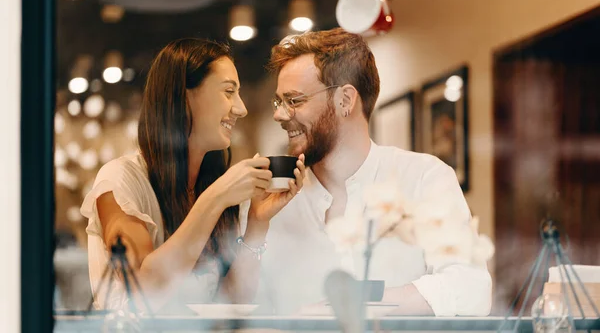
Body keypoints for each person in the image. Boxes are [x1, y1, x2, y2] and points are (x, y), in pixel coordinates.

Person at [256, 28, 491, 316]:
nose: (279, 115)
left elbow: (470, 287)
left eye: (294, 101)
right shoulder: (270, 201)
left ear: (345, 100)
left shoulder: (423, 178)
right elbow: (243, 306)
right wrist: (254, 224)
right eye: (279, 102)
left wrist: (352, 306)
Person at [80, 38, 305, 311]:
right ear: (183, 96)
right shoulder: (120, 180)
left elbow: (233, 301)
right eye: (228, 91)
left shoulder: (208, 184)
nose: (241, 108)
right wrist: (215, 198)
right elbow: (144, 291)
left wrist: (258, 222)